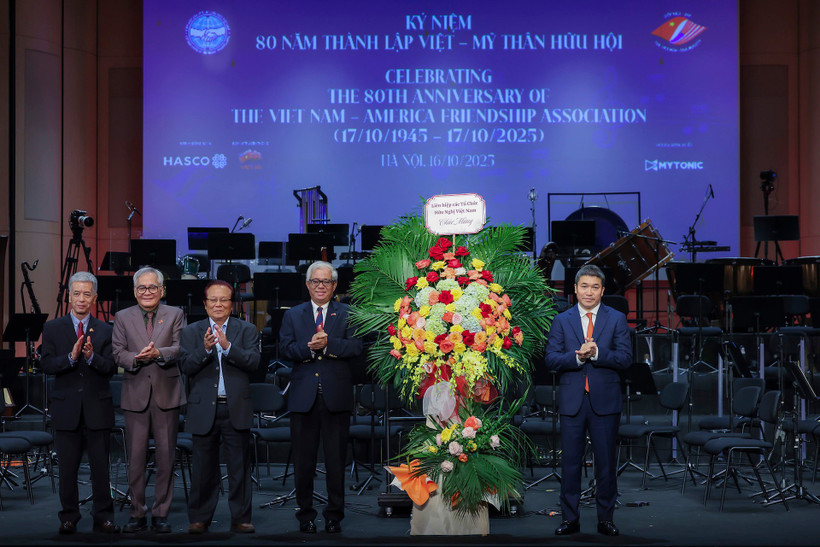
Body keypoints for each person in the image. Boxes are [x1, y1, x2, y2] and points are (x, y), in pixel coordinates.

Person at [544, 264, 632, 537]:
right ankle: (570, 519)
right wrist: (577, 358)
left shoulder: (616, 319)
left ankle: (606, 519)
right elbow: (551, 359)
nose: (589, 292)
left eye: (595, 287)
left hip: (604, 403)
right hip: (572, 402)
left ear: (603, 290)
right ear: (575, 289)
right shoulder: (562, 320)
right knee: (570, 464)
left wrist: (596, 354)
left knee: (605, 463)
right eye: (584, 286)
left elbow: (625, 358)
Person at [279, 261, 363, 534]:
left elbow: (357, 347)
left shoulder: (348, 313)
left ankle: (334, 516)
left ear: (334, 286)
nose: (320, 286)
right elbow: (283, 349)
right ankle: (305, 515)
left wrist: (329, 345)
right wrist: (308, 348)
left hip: (335, 397)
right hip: (303, 398)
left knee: (336, 461)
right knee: (303, 463)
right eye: (315, 281)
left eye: (326, 282)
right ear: (307, 284)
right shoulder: (293, 315)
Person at [40, 271, 120, 535]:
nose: (81, 299)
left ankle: (104, 517)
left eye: (87, 294)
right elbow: (47, 365)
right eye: (77, 293)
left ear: (94, 298)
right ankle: (69, 517)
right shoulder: (52, 328)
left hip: (98, 408)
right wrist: (71, 358)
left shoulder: (107, 329)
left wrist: (93, 357)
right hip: (66, 410)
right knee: (67, 470)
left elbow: (111, 368)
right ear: (69, 296)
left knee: (100, 470)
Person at [180, 280, 260, 534]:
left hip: (235, 407)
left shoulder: (246, 330)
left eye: (223, 300)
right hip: (204, 409)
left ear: (231, 304)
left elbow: (253, 362)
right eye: (213, 300)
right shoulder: (191, 332)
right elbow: (185, 367)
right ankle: (200, 518)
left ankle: (241, 518)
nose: (218, 304)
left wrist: (227, 347)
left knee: (239, 468)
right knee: (203, 468)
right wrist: (205, 349)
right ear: (205, 304)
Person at [112, 266, 185, 533]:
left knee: (166, 458)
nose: (147, 292)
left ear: (162, 290)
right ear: (134, 291)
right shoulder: (122, 316)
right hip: (135, 395)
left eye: (153, 287)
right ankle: (137, 513)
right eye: (142, 288)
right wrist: (136, 358)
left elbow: (180, 347)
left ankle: (161, 514)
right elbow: (117, 352)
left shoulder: (175, 314)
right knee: (136, 459)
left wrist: (158, 354)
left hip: (167, 394)